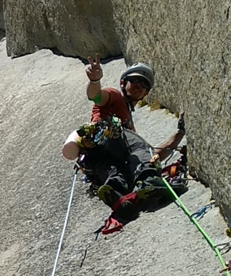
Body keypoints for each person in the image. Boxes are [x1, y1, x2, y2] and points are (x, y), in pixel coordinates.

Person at [60, 59, 159, 205]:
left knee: (116, 172)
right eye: (135, 80)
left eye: (144, 84)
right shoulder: (115, 96)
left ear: (146, 93)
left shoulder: (129, 126)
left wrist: (179, 134)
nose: (139, 85)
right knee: (138, 146)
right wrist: (94, 81)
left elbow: (152, 154)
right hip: (106, 136)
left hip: (95, 156)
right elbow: (97, 96)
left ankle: (117, 195)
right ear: (123, 83)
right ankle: (148, 180)